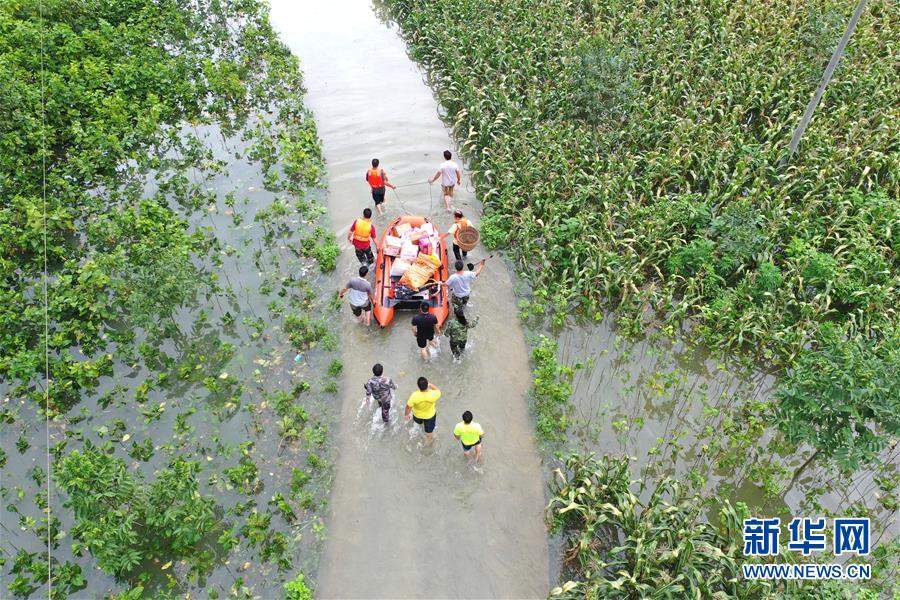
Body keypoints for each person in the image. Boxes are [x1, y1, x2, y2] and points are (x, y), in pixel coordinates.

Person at [405, 376, 441, 444]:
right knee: (429, 433)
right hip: (430, 416)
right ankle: (429, 444)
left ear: (418, 386)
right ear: (427, 385)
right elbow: (438, 390)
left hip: (417, 415)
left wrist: (406, 415)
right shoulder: (433, 394)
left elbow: (408, 407)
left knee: (418, 425)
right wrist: (430, 385)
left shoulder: (414, 395)